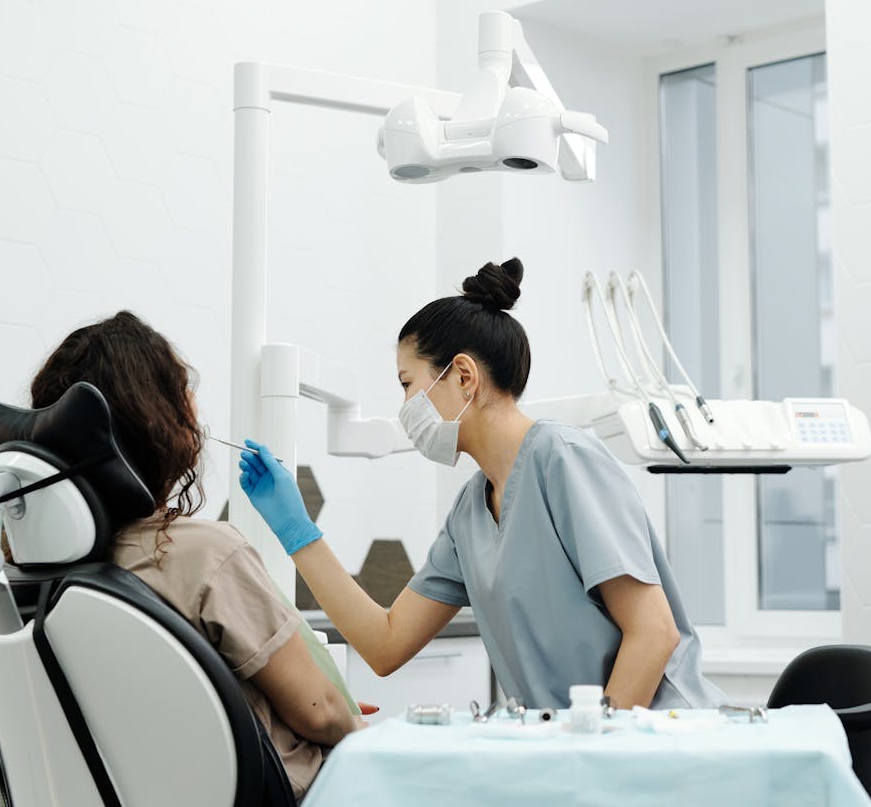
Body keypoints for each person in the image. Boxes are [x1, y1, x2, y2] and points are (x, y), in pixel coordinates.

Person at [239, 258, 725, 711]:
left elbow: (654, 632)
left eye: (408, 385)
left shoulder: (564, 459)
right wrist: (296, 531)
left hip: (653, 737)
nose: (405, 406)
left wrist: (591, 752)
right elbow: (385, 645)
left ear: (464, 376)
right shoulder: (471, 511)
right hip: (570, 750)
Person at [28, 311, 364, 802]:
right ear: (158, 425)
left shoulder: (30, 571)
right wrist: (374, 740)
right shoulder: (204, 555)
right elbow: (319, 712)